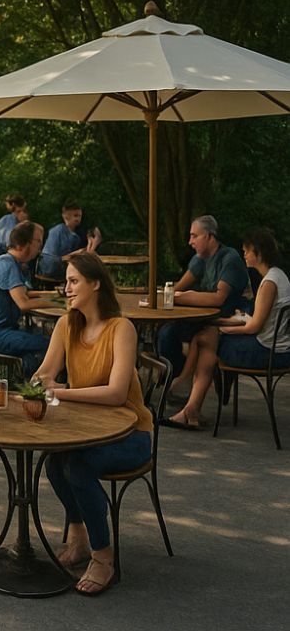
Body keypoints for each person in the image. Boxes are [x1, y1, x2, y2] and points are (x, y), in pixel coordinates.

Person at [35, 251, 152, 596]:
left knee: (78, 466)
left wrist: (64, 392)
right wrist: (41, 382)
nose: (66, 288)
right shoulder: (65, 324)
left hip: (131, 434)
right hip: (84, 431)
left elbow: (117, 394)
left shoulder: (122, 328)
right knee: (55, 463)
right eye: (66, 282)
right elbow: (44, 375)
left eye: (73, 281)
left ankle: (103, 558)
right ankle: (79, 536)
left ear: (96, 283)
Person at [166, 227, 290, 429]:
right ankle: (190, 405)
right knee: (206, 335)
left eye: (246, 251)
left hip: (267, 352)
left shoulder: (269, 283)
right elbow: (259, 320)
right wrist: (222, 323)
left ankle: (188, 402)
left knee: (207, 339)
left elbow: (254, 327)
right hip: (276, 346)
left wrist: (224, 330)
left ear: (258, 252)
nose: (244, 255)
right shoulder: (279, 276)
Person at [160, 214, 253, 385]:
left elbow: (219, 298)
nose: (190, 241)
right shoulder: (200, 258)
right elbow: (178, 288)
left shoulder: (229, 258)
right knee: (166, 333)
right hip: (204, 317)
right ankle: (175, 379)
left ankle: (180, 383)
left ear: (209, 236)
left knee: (174, 333)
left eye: (194, 236)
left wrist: (183, 298)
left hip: (229, 318)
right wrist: (155, 292)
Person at [0, 222, 52, 374]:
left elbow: (24, 293)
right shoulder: (6, 263)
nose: (40, 247)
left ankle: (29, 384)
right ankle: (43, 385)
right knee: (51, 344)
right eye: (38, 241)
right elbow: (23, 303)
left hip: (3, 331)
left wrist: (53, 295)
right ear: (24, 242)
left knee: (34, 349)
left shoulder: (12, 262)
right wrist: (58, 303)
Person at [38, 200, 100, 279]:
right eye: (75, 215)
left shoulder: (77, 235)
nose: (78, 219)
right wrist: (75, 254)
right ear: (66, 216)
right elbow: (51, 260)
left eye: (79, 216)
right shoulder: (57, 232)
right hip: (51, 270)